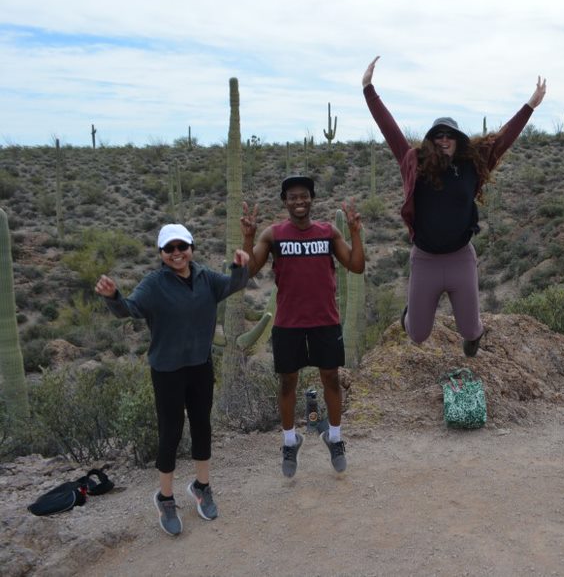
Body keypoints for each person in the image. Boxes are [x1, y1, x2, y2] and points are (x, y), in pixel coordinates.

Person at [362, 56, 546, 355]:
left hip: (461, 258)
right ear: (431, 141)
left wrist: (530, 106)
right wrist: (369, 90)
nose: (444, 140)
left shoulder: (472, 164)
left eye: (449, 135)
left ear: (459, 140)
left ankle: (473, 338)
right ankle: (411, 313)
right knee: (418, 335)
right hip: (426, 260)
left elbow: (504, 139)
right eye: (438, 136)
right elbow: (390, 131)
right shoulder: (415, 163)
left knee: (471, 329)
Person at [95, 224, 250, 536]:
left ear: (191, 247)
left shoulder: (206, 278)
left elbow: (233, 284)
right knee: (171, 432)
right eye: (170, 249)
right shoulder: (154, 284)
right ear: (161, 253)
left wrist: (239, 266)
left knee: (202, 425)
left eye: (182, 246)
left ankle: (202, 486)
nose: (177, 253)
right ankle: (165, 497)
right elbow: (130, 309)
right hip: (167, 370)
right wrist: (114, 296)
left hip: (200, 364)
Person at [241, 176, 364, 478]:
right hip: (288, 323)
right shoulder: (274, 235)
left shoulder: (327, 232)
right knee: (287, 383)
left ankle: (334, 438)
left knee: (331, 379)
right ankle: (289, 441)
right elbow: (248, 271)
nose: (299, 201)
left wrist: (355, 232)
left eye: (304, 196)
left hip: (325, 320)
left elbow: (357, 265)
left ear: (312, 199)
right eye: (293, 197)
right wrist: (248, 237)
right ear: (285, 201)